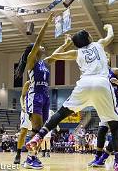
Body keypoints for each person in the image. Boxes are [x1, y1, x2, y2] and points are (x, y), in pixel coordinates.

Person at [26, 25, 118, 171]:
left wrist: (65, 44)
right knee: (115, 125)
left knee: (61, 113)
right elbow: (111, 36)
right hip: (102, 83)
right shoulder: (98, 44)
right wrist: (109, 27)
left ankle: (39, 136)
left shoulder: (76, 53)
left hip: (84, 84)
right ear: (88, 37)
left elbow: (55, 56)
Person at [15, 13, 71, 169]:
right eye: (38, 46)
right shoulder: (32, 60)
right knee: (37, 129)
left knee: (43, 132)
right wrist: (47, 23)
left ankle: (32, 158)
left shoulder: (44, 63)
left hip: (45, 96)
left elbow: (56, 54)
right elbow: (38, 40)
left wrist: (66, 44)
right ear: (34, 49)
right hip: (35, 96)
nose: (42, 46)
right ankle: (29, 159)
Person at [88, 53, 118, 167]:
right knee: (101, 132)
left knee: (116, 132)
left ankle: (109, 158)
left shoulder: (115, 71)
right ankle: (98, 157)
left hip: (117, 105)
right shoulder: (98, 74)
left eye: (107, 56)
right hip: (104, 105)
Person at [14, 81, 32, 164]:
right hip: (26, 110)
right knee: (23, 132)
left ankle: (32, 155)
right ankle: (18, 154)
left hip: (36, 110)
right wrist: (22, 106)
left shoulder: (41, 83)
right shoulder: (28, 83)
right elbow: (22, 96)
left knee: (35, 134)